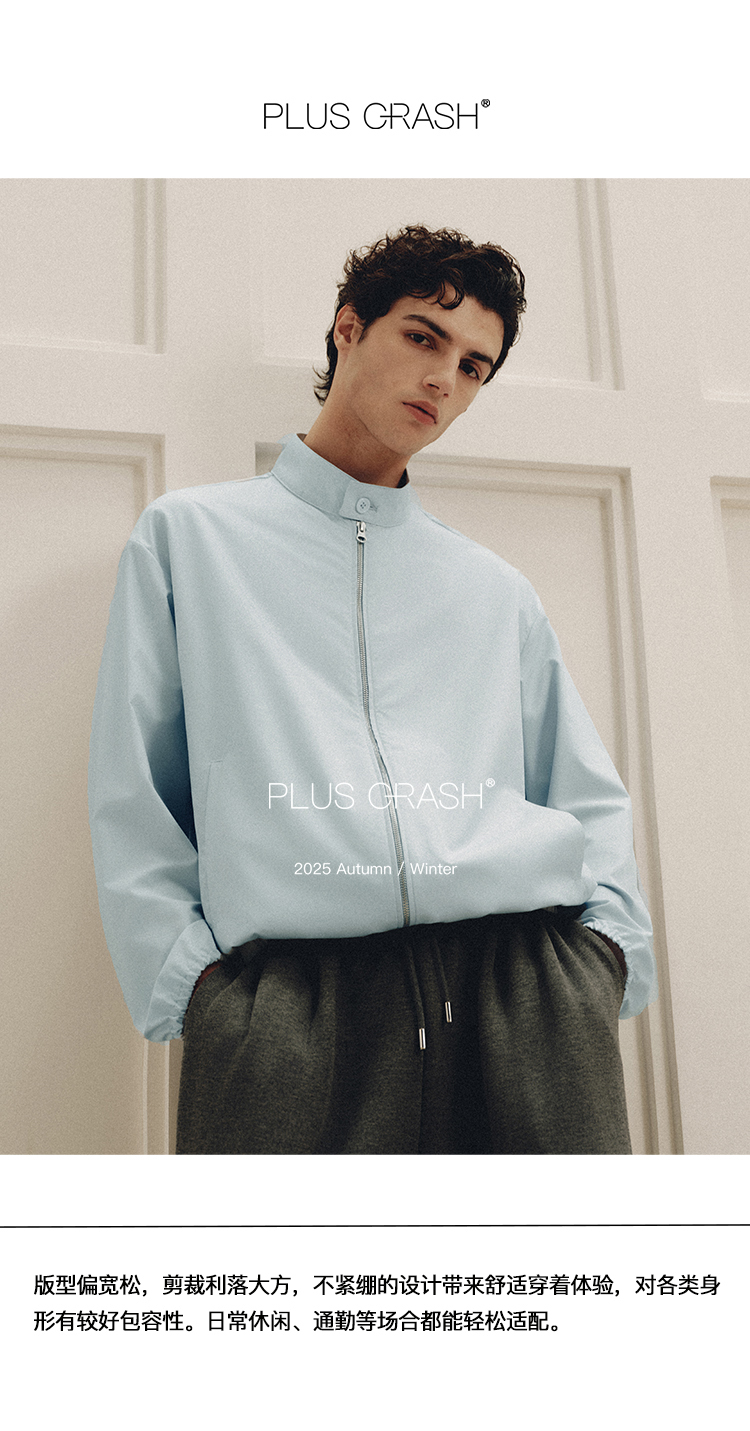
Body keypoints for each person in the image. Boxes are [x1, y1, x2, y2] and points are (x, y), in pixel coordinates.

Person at [89, 225, 657, 1155]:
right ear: (348, 328)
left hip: (522, 1001)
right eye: (423, 336)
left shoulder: (492, 589)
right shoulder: (190, 542)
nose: (444, 379)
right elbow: (133, 794)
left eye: (473, 366)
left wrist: (604, 959)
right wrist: (199, 992)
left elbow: (586, 792)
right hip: (293, 1017)